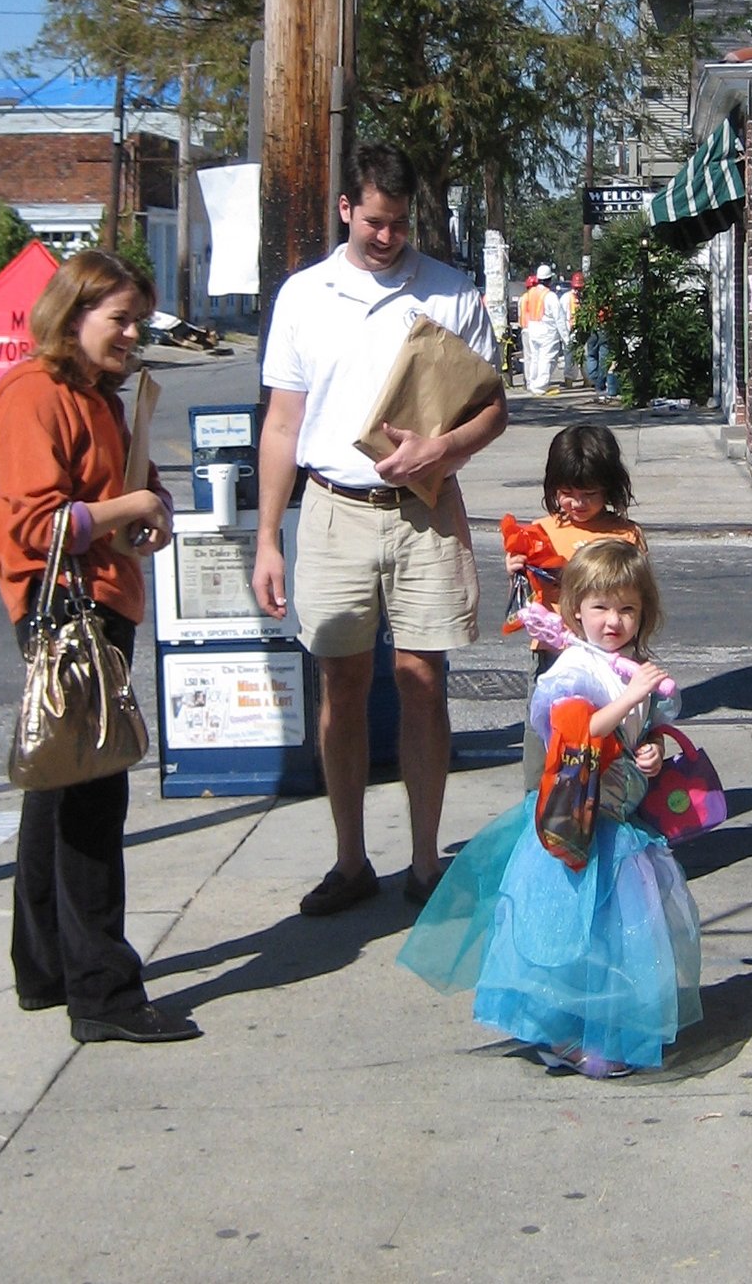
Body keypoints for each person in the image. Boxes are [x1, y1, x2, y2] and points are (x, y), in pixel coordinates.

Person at [250, 143, 507, 915]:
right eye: (373, 222)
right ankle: (350, 858)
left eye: (397, 224)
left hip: (424, 511)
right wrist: (267, 537)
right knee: (342, 681)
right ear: (345, 210)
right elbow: (281, 425)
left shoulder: (452, 294)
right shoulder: (304, 295)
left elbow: (494, 407)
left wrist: (445, 447)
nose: (386, 237)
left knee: (424, 681)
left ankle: (426, 863)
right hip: (333, 509)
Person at [0, 249, 197, 1044]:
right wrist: (128, 504)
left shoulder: (97, 394)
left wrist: (151, 504)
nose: (133, 333)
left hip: (100, 601)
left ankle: (46, 968)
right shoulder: (34, 394)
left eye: (139, 319)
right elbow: (38, 523)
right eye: (120, 319)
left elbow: (120, 490)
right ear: (72, 316)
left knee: (58, 783)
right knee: (93, 797)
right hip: (66, 608)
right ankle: (102, 992)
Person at [399, 539, 702, 1077]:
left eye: (628, 608)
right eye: (601, 608)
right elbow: (578, 730)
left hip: (619, 822)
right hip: (576, 825)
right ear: (576, 610)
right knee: (569, 932)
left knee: (614, 935)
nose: (614, 621)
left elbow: (636, 735)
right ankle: (561, 1030)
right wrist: (632, 697)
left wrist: (650, 750)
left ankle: (605, 1024)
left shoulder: (631, 666)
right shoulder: (574, 669)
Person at [506, 422, 648, 786]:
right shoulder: (541, 530)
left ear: (611, 489)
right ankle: (536, 810)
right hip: (552, 655)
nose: (578, 503)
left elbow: (638, 595)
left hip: (609, 657)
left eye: (590, 493)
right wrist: (517, 571)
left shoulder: (624, 534)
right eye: (567, 493)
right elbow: (525, 600)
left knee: (605, 746)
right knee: (543, 742)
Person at [520, 263, 568, 395]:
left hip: (533, 329)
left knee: (536, 358)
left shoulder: (530, 293)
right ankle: (540, 387)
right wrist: (566, 338)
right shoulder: (550, 296)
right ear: (549, 280)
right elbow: (559, 318)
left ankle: (533, 383)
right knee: (547, 360)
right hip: (547, 332)